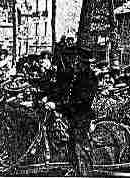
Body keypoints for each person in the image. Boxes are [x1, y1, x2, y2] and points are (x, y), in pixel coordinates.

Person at [46, 46, 99, 176]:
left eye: (78, 62)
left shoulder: (89, 79)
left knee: (78, 146)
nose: (75, 64)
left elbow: (79, 102)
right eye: (76, 61)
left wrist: (57, 106)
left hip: (82, 116)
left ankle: (84, 174)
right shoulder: (77, 76)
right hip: (74, 115)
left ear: (84, 64)